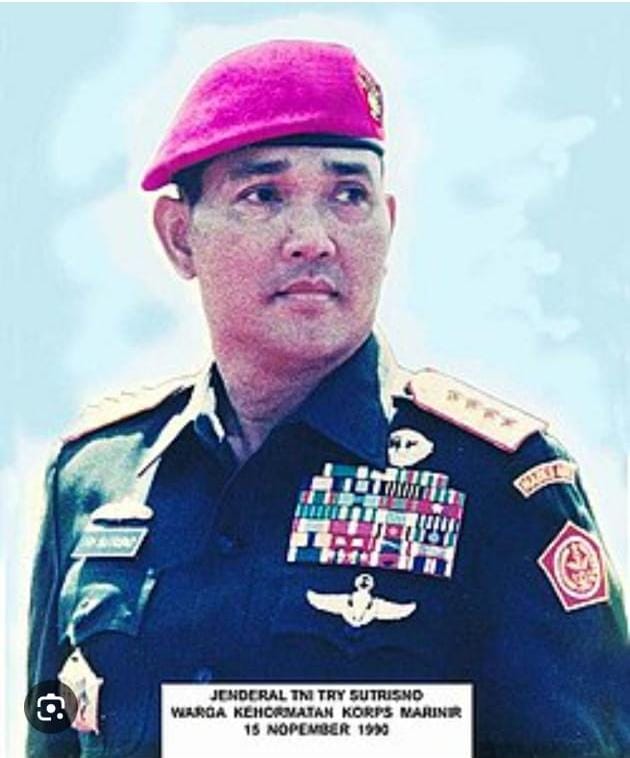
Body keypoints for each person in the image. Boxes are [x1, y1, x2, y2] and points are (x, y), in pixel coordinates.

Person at [27, 39, 628, 758]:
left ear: (388, 224)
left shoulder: (499, 481)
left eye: (349, 196)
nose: (313, 239)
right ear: (180, 237)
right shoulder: (95, 477)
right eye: (264, 195)